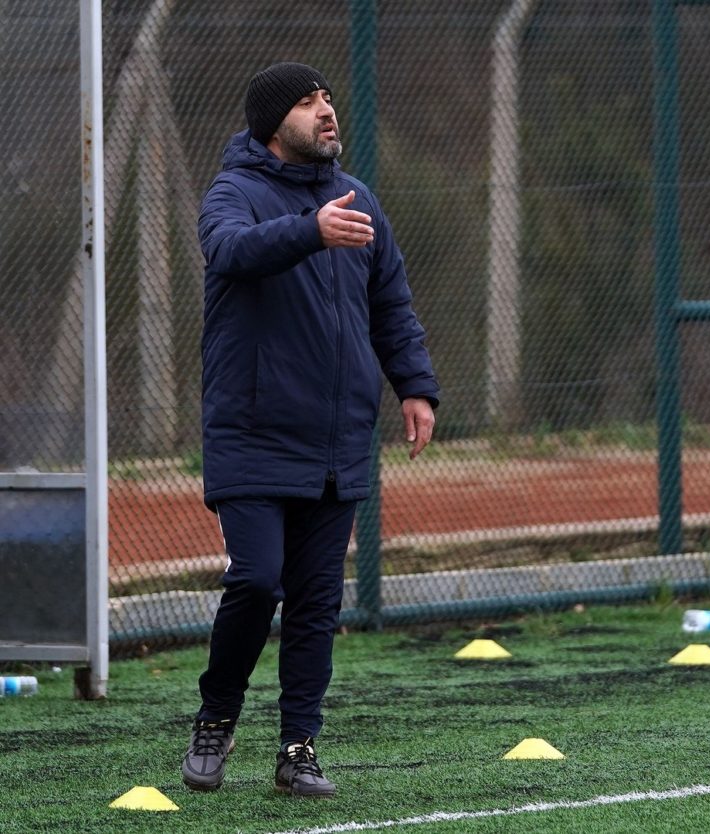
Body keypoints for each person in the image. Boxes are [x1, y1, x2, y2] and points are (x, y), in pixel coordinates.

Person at [181, 62, 439, 798]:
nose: (326, 110)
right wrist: (309, 231)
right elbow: (229, 250)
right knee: (257, 579)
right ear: (273, 124)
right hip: (253, 433)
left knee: (317, 602)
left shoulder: (358, 199)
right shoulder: (233, 192)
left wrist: (415, 386)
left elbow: (390, 303)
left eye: (326, 98)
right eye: (305, 102)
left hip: (337, 440)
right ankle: (216, 717)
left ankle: (299, 748)